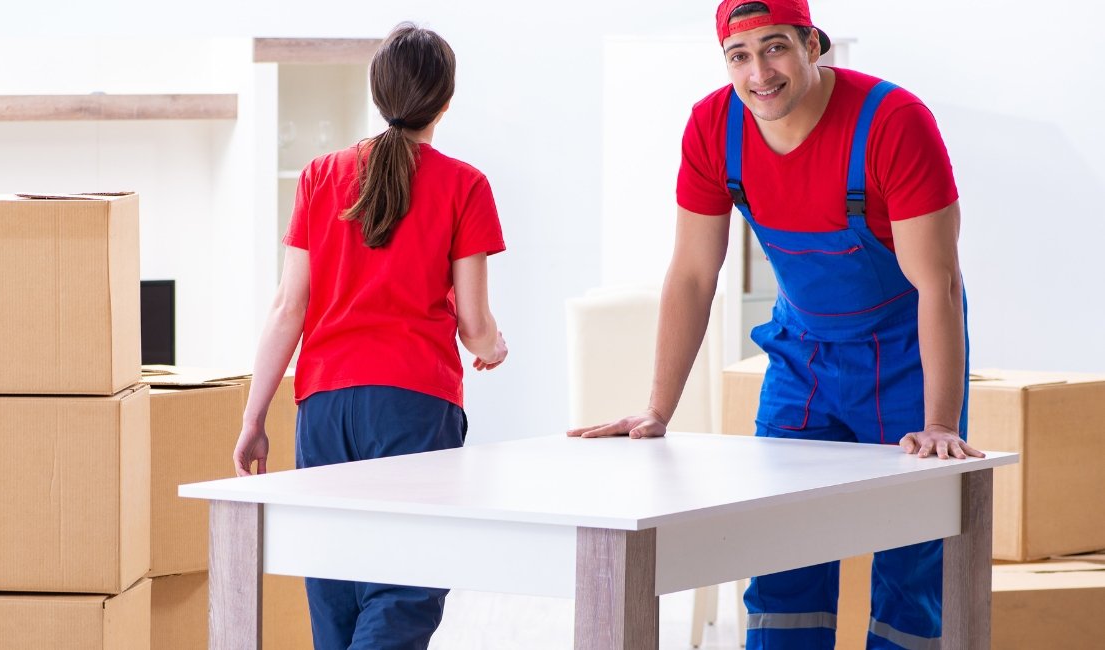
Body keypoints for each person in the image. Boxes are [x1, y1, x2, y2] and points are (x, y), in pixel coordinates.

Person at [569, 1, 982, 647]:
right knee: (780, 550)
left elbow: (939, 283)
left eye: (776, 47)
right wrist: (657, 410)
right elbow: (693, 276)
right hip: (803, 359)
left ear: (813, 44)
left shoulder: (892, 122)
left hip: (904, 358)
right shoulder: (714, 127)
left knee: (912, 558)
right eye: (740, 55)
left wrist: (936, 423)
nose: (759, 71)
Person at [232, 22, 508, 650]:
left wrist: (253, 417)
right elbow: (474, 324)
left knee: (334, 583)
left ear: (379, 93)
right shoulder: (464, 184)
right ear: (445, 100)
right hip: (413, 403)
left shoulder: (320, 176)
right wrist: (492, 346)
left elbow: (287, 308)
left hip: (324, 405)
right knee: (406, 584)